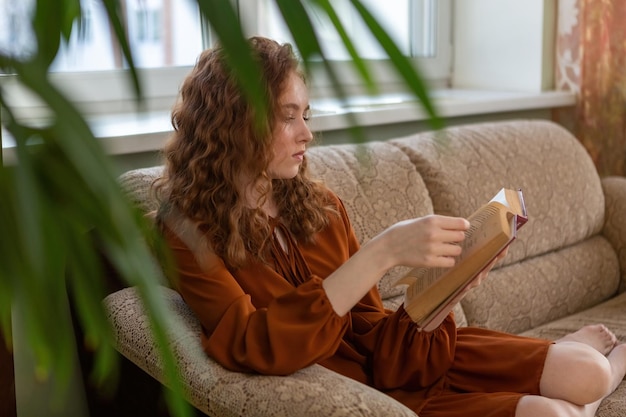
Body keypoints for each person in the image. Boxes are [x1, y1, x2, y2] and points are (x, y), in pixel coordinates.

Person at [154, 36, 626, 417]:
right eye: (287, 116)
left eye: (307, 114)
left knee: (591, 376)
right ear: (237, 121)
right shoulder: (187, 231)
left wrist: (450, 290)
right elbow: (251, 343)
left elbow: (381, 345)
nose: (307, 133)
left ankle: (600, 369)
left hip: (409, 362)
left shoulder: (320, 208)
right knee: (554, 413)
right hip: (364, 395)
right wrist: (381, 252)